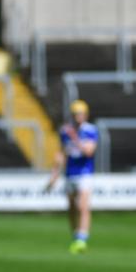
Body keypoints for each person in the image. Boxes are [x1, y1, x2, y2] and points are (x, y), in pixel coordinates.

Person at [45, 99, 98, 254]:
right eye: (75, 114)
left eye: (80, 114)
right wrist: (54, 175)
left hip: (85, 173)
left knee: (83, 205)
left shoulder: (90, 130)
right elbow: (61, 153)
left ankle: (82, 238)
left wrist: (75, 138)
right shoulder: (64, 132)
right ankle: (76, 235)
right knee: (72, 208)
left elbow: (89, 151)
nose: (78, 117)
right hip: (70, 173)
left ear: (86, 115)